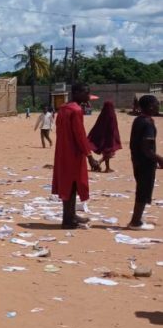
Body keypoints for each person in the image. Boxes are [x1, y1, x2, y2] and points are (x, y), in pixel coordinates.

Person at [52, 83, 100, 229]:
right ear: (77, 93)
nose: (88, 96)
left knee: (68, 184)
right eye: (86, 93)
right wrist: (90, 156)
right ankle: (67, 220)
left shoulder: (63, 109)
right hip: (73, 154)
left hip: (62, 152)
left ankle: (71, 215)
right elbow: (80, 135)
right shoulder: (76, 110)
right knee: (72, 185)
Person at [127, 95, 163, 230]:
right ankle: (135, 222)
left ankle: (137, 219)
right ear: (150, 106)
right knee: (143, 190)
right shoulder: (147, 123)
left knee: (142, 189)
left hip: (137, 160)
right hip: (145, 162)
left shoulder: (138, 120)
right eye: (157, 104)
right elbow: (147, 148)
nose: (158, 106)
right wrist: (159, 159)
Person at [88, 100, 122, 173]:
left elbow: (98, 125)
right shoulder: (111, 115)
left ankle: (107, 167)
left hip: (103, 137)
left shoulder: (102, 114)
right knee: (109, 153)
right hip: (109, 137)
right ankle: (99, 163)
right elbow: (113, 127)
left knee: (107, 153)